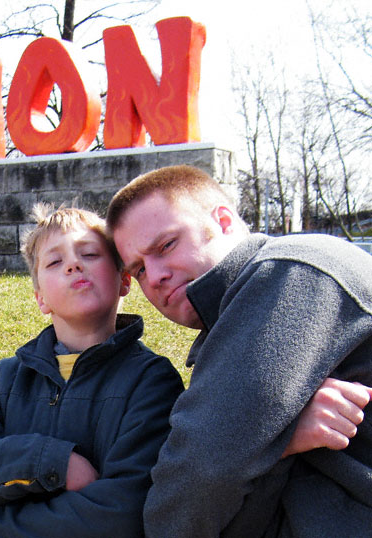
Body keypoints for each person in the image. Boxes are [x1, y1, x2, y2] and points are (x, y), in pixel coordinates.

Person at [106, 164, 372, 537]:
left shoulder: (288, 272)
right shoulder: (227, 317)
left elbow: (198, 475)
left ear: (225, 220)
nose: (156, 275)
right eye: (139, 270)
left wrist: (260, 444)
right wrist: (278, 442)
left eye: (166, 245)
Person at [0, 204, 185, 537]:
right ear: (41, 299)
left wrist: (4, 525)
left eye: (90, 254)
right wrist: (53, 463)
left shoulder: (152, 381)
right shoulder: (8, 379)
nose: (74, 264)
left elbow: (127, 509)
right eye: (55, 261)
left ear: (124, 280)